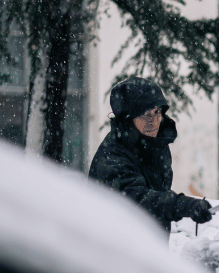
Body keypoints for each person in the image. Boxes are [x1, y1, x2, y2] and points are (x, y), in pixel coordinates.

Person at [89, 77, 212, 233]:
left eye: (157, 112)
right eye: (146, 114)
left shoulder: (154, 145)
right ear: (128, 118)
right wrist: (183, 205)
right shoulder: (112, 156)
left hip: (147, 247)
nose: (154, 121)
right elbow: (139, 200)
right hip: (114, 250)